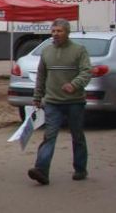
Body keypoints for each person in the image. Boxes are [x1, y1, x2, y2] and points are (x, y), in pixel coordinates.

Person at [27, 18, 92, 185]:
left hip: (75, 101)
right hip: (52, 102)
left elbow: (86, 72)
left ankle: (80, 169)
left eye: (59, 31)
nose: (55, 34)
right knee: (49, 136)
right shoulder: (47, 51)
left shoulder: (79, 50)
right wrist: (37, 97)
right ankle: (41, 170)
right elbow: (41, 76)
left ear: (67, 32)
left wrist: (74, 84)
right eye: (53, 31)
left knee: (77, 136)